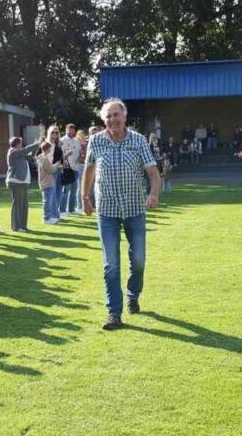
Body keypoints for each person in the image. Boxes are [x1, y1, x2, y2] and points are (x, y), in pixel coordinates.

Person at [82, 98, 162, 330]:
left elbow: (153, 172)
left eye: (116, 115)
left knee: (138, 260)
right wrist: (85, 197)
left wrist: (153, 194)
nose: (112, 120)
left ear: (124, 116)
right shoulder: (96, 141)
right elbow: (89, 171)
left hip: (134, 209)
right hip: (107, 210)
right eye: (108, 116)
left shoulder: (138, 140)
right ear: (103, 119)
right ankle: (114, 313)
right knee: (111, 264)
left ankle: (133, 294)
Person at [6, 136, 41, 232]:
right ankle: (16, 227)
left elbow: (30, 156)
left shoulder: (20, 153)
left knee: (24, 205)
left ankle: (23, 225)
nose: (22, 145)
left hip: (23, 182)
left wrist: (36, 147)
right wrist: (36, 144)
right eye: (21, 143)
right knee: (18, 205)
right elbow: (25, 150)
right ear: (17, 144)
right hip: (16, 181)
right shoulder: (13, 151)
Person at [59, 124, 82, 217]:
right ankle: (62, 210)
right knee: (66, 190)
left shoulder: (77, 141)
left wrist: (80, 157)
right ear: (66, 130)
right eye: (70, 130)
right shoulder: (62, 141)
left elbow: (80, 152)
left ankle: (71, 209)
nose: (72, 132)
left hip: (76, 168)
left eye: (73, 130)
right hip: (67, 169)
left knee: (74, 190)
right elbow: (59, 156)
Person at [37, 142, 59, 225]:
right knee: (47, 201)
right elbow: (51, 170)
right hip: (46, 182)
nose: (51, 149)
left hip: (46, 182)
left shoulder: (41, 157)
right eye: (50, 148)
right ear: (47, 148)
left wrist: (53, 166)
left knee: (48, 201)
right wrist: (56, 165)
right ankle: (46, 218)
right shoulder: (44, 158)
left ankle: (49, 217)